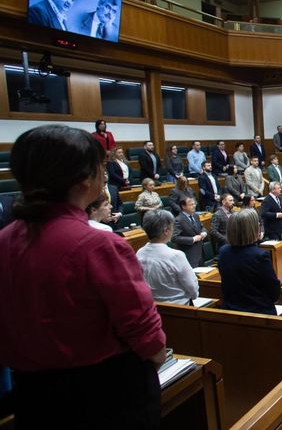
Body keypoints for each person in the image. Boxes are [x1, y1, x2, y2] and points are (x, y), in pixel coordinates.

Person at [0, 125, 166, 429]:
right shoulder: (100, 245)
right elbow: (148, 340)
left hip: (31, 395)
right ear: (85, 179)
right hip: (106, 395)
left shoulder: (4, 241)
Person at [218, 209, 281, 315]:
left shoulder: (223, 252)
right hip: (258, 314)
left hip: (230, 313)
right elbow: (274, 293)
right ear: (252, 229)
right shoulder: (260, 255)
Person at [137, 209, 199, 305]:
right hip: (180, 308)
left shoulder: (139, 253)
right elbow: (192, 288)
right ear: (166, 231)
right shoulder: (176, 256)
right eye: (172, 227)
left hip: (151, 307)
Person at [172, 196, 208, 267]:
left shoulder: (195, 216)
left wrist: (204, 232)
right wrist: (193, 239)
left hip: (200, 252)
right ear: (183, 206)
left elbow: (202, 227)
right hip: (188, 254)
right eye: (191, 204)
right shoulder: (178, 220)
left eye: (194, 204)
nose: (194, 206)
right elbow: (174, 238)